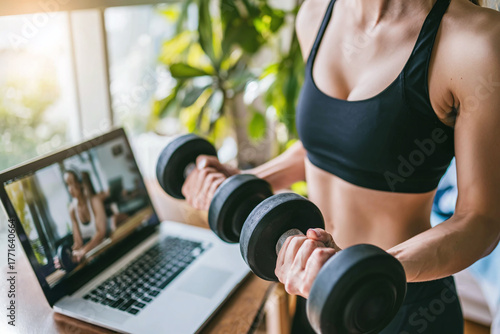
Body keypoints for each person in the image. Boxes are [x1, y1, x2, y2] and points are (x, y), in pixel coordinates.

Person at [181, 0, 500, 332]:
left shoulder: (476, 40)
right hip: (316, 294)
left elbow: (481, 220)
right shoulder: (316, 13)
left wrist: (366, 271)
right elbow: (323, 149)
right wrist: (244, 179)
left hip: (399, 303)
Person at [64, 169, 107, 264]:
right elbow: (78, 243)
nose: (70, 189)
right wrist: (66, 256)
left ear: (80, 183)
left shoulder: (95, 201)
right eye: (67, 185)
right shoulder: (72, 209)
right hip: (94, 254)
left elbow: (101, 233)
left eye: (72, 183)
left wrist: (83, 251)